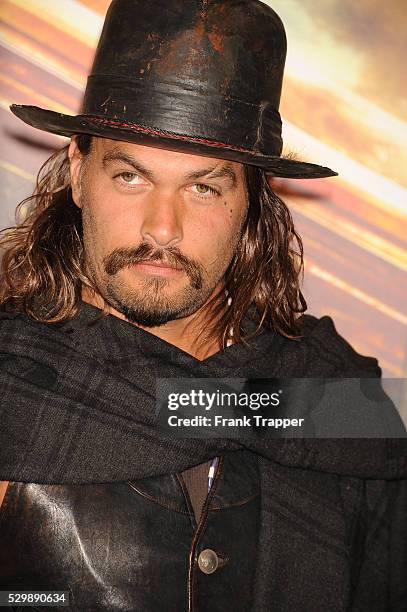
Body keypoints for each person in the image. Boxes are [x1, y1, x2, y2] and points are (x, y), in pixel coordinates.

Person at [0, 1, 406, 610]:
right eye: (130, 177)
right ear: (80, 174)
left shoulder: (336, 402)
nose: (162, 228)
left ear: (251, 203)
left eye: (203, 186)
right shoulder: (12, 387)